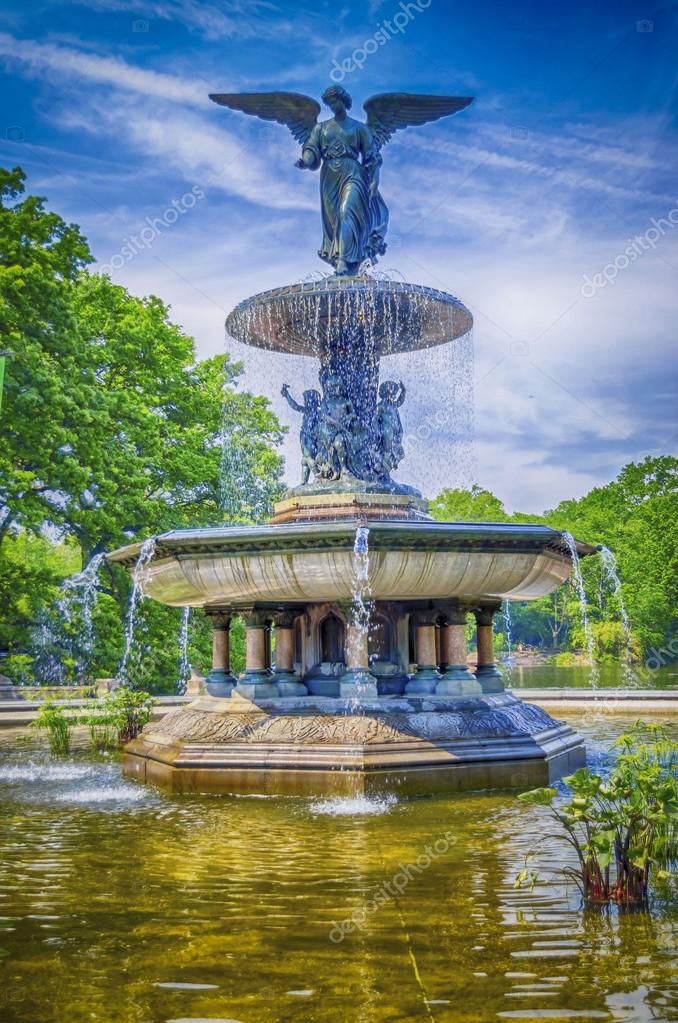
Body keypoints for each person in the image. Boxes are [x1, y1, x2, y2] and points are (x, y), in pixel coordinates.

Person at [296, 85, 388, 275]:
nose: (332, 106)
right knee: (335, 220)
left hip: (353, 172)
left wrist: (375, 181)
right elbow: (311, 147)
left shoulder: (359, 128)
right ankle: (342, 261)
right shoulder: (321, 128)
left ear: (343, 101)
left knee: (347, 212)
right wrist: (306, 160)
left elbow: (371, 156)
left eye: (335, 102)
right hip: (329, 176)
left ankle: (343, 263)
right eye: (329, 103)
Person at [281, 384, 321, 484]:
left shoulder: (309, 410)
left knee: (307, 457)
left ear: (311, 400)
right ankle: (303, 482)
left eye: (306, 399)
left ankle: (318, 475)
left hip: (308, 437)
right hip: (312, 438)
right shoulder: (319, 412)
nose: (304, 402)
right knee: (304, 460)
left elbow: (295, 406)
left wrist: (287, 395)